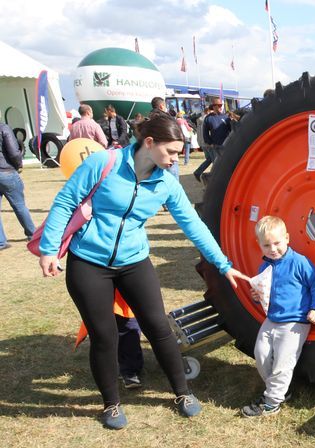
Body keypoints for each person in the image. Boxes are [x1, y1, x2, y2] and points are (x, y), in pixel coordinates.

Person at [38, 113, 249, 429]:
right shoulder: (104, 164)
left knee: (158, 326)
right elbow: (66, 202)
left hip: (134, 261)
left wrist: (223, 265)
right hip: (89, 263)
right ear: (149, 143)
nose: (176, 159)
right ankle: (110, 405)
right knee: (104, 335)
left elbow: (193, 225)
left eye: (179, 152)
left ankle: (182, 392)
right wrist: (48, 249)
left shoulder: (166, 182)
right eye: (172, 152)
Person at [241, 215, 315, 417]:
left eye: (277, 243)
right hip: (272, 319)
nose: (273, 249)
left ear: (287, 238)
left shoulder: (300, 262)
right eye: (266, 245)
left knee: (282, 363)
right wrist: (257, 296)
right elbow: (264, 295)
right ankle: (280, 391)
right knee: (260, 354)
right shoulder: (265, 267)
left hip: (295, 322)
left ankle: (272, 402)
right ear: (259, 245)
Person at [0, 122, 37, 250]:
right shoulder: (3, 128)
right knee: (19, 205)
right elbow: (14, 152)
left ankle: (1, 241)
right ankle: (32, 234)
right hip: (6, 172)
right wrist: (18, 164)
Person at [150, 97, 179, 178]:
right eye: (165, 105)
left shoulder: (149, 119)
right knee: (173, 180)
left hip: (155, 154)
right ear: (161, 106)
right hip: (168, 152)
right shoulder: (166, 118)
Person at [203, 97, 234, 163]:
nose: (221, 107)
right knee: (217, 164)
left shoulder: (226, 117)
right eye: (219, 105)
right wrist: (210, 143)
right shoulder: (208, 118)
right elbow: (205, 133)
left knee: (228, 163)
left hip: (226, 144)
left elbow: (232, 130)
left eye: (221, 105)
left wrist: (233, 121)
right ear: (214, 106)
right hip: (215, 146)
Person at [193, 106, 214, 183]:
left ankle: (198, 172)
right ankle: (212, 177)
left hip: (202, 142)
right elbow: (208, 132)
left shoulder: (199, 119)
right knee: (215, 160)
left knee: (209, 159)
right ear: (208, 111)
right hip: (208, 143)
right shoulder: (208, 119)